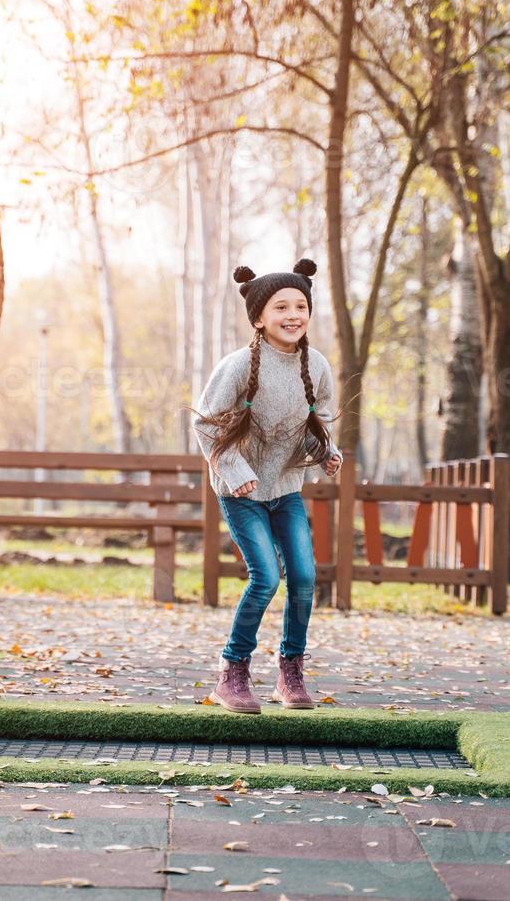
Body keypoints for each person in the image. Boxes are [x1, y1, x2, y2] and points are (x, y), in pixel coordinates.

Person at [189, 258, 343, 714]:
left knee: (303, 578)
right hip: (239, 493)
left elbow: (318, 423)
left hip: (285, 489)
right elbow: (206, 426)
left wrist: (326, 453)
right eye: (281, 307)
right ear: (259, 317)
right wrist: (236, 473)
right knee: (265, 578)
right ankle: (232, 674)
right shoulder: (236, 366)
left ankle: (289, 670)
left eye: (300, 305)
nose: (293, 314)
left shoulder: (316, 366)